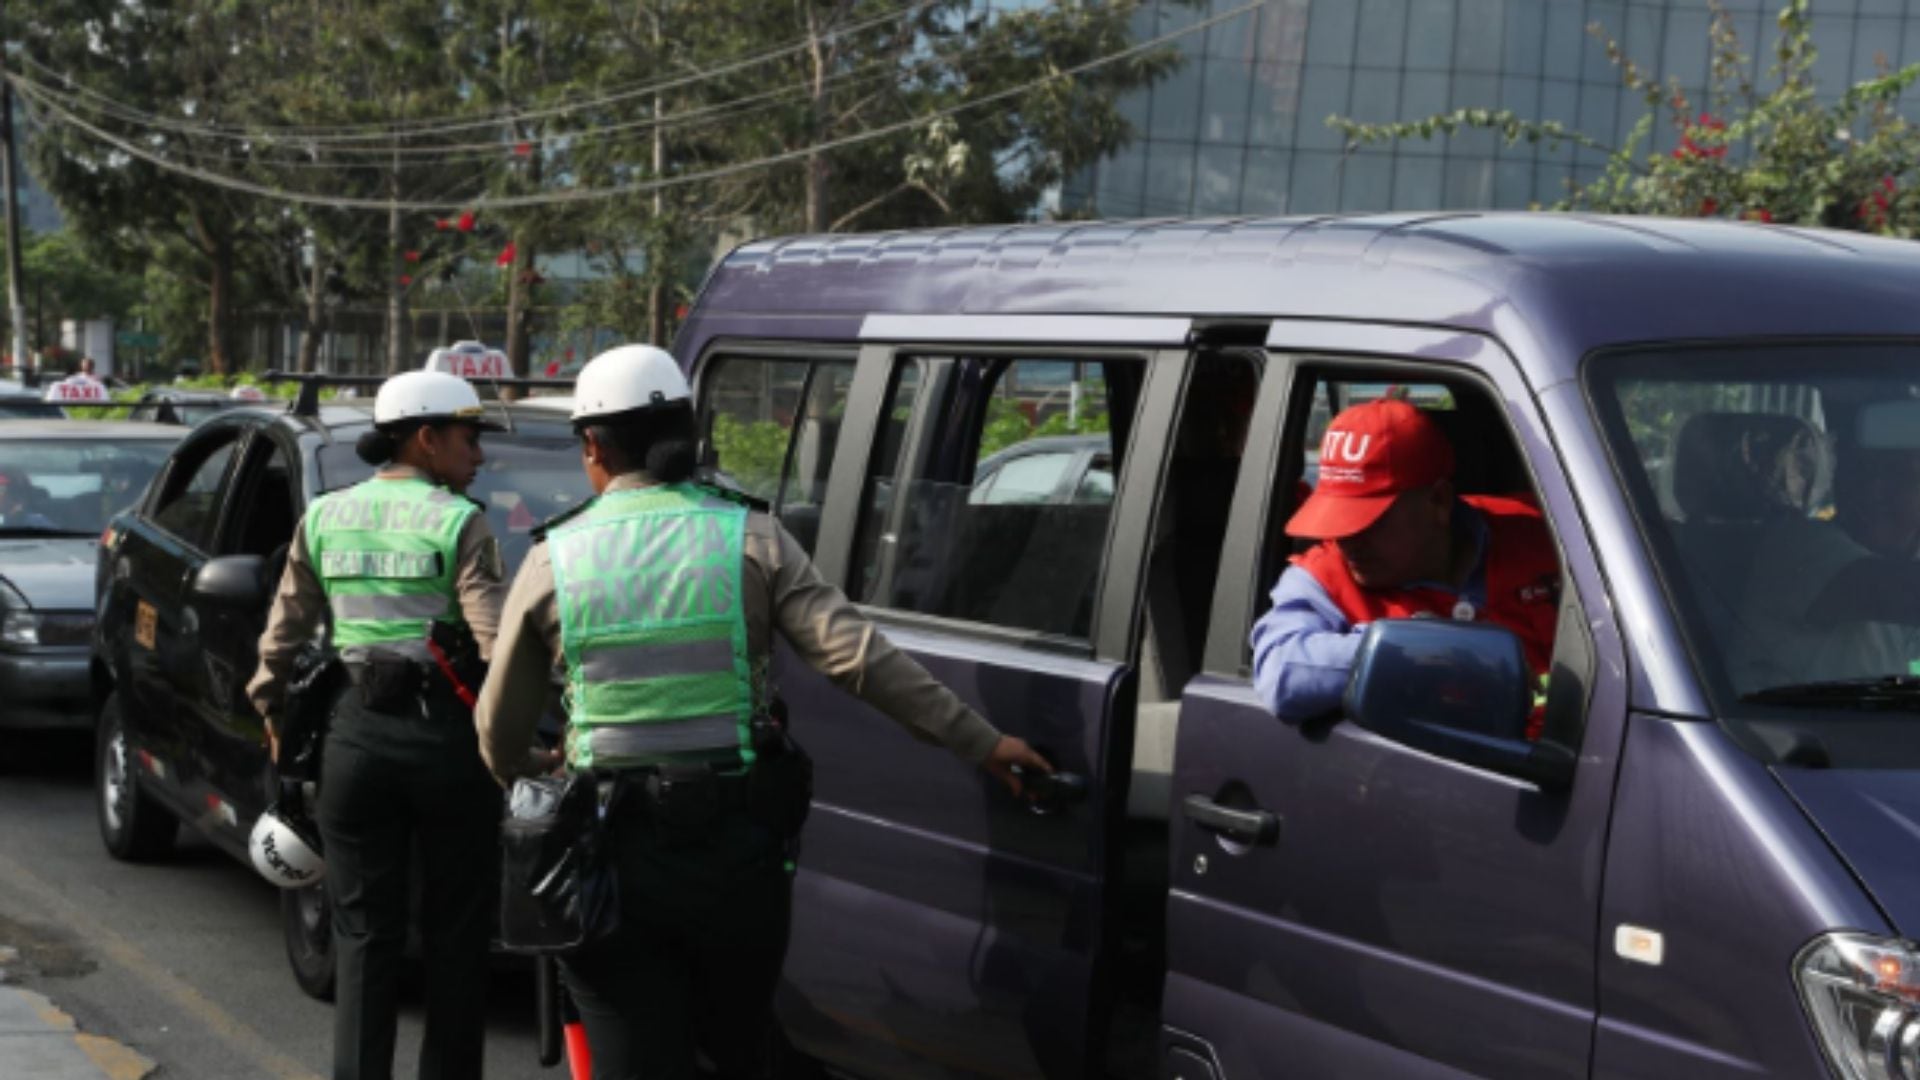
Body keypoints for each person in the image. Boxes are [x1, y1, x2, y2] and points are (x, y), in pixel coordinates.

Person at [473, 344, 1053, 1080]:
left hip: (611, 861)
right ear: (685, 430)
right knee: (737, 1054)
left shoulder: (555, 558)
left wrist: (535, 766)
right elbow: (861, 660)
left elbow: (497, 733)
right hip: (737, 859)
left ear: (593, 445)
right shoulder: (751, 535)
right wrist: (984, 742)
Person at [246, 370, 509, 1080]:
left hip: (352, 738)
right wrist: (521, 742)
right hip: (445, 744)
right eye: (469, 437)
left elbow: (282, 636)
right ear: (426, 439)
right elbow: (496, 648)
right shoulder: (461, 521)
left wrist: (275, 716)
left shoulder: (327, 516)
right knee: (456, 936)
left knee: (363, 935)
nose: (477, 456)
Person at [1250, 399, 1560, 727]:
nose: (1347, 540)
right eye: (1336, 519)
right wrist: (1429, 649)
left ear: (1438, 501)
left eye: (1369, 521)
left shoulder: (1549, 532)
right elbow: (1280, 674)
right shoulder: (1322, 579)